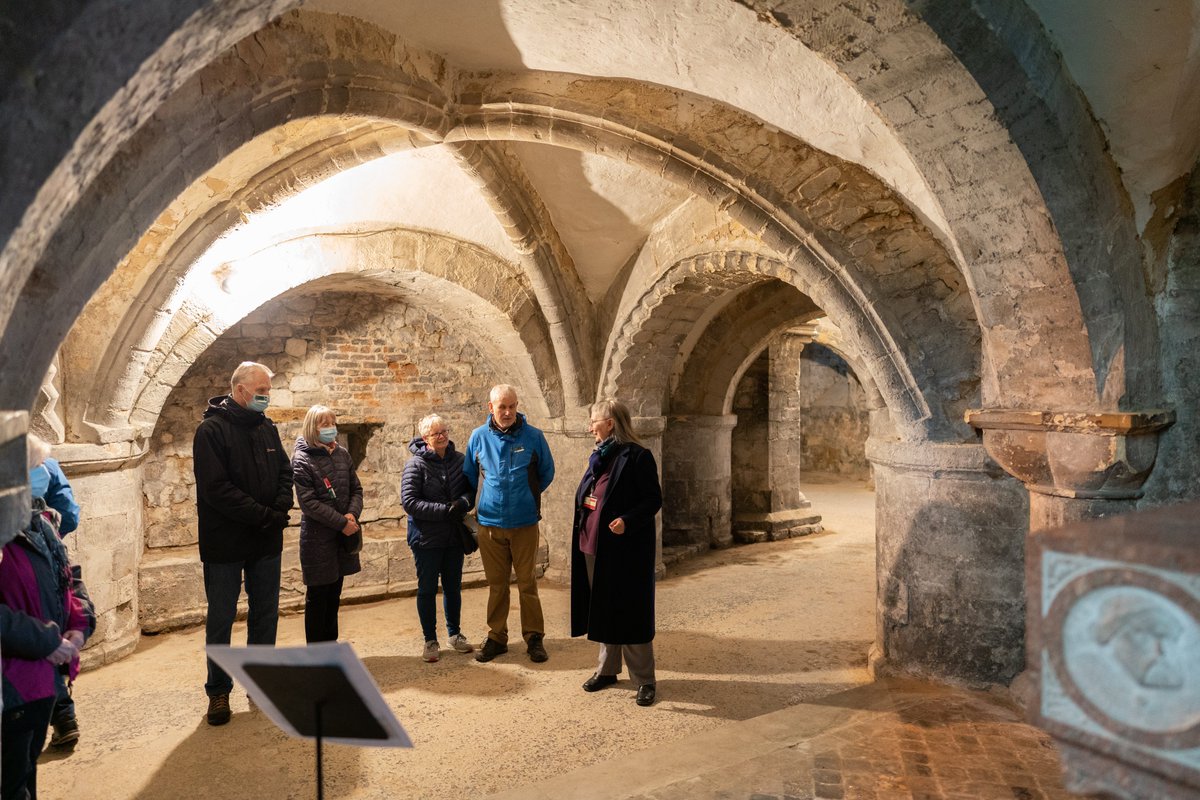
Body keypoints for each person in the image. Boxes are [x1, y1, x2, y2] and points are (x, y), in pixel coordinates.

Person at [192, 361, 292, 726]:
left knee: (265, 614)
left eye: (268, 390)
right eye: (261, 390)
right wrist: (265, 515)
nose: (266, 396)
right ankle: (218, 692)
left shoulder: (267, 428)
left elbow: (285, 471)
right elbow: (217, 490)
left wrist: (280, 507)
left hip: (266, 539)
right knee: (221, 617)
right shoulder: (211, 431)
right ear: (239, 390)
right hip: (225, 543)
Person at [0, 436, 92, 799]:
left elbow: (66, 578)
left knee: (23, 778)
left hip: (38, 683)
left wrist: (80, 625)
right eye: (34, 469)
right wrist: (47, 641)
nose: (44, 476)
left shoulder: (38, 520)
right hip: (11, 684)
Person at [571, 399, 663, 706]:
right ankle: (607, 671)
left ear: (610, 423)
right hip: (593, 544)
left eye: (594, 421)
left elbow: (653, 500)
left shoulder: (637, 456)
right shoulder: (598, 456)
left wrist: (627, 520)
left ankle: (644, 679)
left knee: (631, 610)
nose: (590, 427)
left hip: (626, 549)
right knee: (604, 608)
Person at [463, 384, 555, 663]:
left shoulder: (534, 437)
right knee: (497, 584)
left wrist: (526, 497)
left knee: (527, 582)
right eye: (501, 407)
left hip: (525, 523)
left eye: (512, 406)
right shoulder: (478, 437)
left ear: (517, 406)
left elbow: (546, 473)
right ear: (490, 408)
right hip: (489, 525)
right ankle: (497, 637)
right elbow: (470, 475)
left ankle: (534, 637)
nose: (507, 412)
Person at [28, 445, 88, 750]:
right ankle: (63, 718)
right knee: (46, 636)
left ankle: (60, 717)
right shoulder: (47, 463)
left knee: (36, 641)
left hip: (32, 562)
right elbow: (70, 515)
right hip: (48, 561)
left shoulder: (41, 464)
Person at [401, 414, 474, 662]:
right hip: (426, 538)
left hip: (453, 537)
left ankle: (455, 634)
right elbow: (409, 502)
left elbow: (471, 490)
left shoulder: (460, 460)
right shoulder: (415, 465)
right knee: (427, 589)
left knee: (453, 587)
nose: (442, 436)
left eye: (444, 431)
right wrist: (444, 510)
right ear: (425, 438)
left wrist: (463, 502)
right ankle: (430, 640)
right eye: (435, 434)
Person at [292, 405, 363, 644]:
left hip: (342, 536)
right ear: (313, 428)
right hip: (317, 539)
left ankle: (330, 648)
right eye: (325, 424)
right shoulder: (302, 458)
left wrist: (352, 514)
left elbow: (356, 489)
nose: (331, 428)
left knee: (334, 594)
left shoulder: (342, 454)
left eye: (333, 423)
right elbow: (309, 503)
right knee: (318, 597)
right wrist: (342, 522)